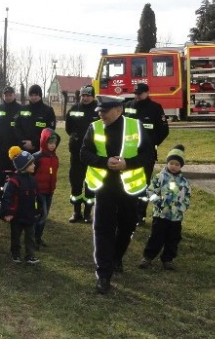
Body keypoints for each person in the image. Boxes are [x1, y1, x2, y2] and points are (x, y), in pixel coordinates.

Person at [80, 95, 153, 294]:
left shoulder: (135, 126)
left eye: (105, 111)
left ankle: (116, 258)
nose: (101, 114)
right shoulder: (94, 128)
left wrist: (127, 164)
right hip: (104, 188)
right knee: (103, 229)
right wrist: (104, 162)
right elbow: (84, 153)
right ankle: (103, 274)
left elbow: (149, 155)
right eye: (99, 111)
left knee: (127, 226)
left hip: (128, 189)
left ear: (118, 109)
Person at [138, 145, 191, 271]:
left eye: (177, 164)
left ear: (181, 166)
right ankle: (148, 257)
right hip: (161, 214)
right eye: (171, 163)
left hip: (176, 217)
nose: (174, 166)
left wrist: (182, 208)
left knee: (173, 239)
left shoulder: (184, 182)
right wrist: (157, 201)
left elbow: (187, 197)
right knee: (156, 236)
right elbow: (150, 191)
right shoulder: (159, 177)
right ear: (167, 163)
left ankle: (168, 259)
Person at [124, 83, 169, 225]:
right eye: (135, 93)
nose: (137, 96)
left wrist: (152, 143)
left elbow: (164, 130)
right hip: (129, 151)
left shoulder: (155, 108)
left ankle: (140, 214)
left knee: (143, 184)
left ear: (147, 93)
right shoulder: (128, 105)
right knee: (129, 182)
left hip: (147, 153)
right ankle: (128, 212)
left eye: (140, 93)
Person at [65, 85, 98, 223]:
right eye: (83, 95)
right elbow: (68, 128)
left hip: (93, 153)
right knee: (76, 182)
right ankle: (76, 212)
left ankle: (87, 214)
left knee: (91, 184)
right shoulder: (73, 109)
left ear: (93, 96)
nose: (85, 98)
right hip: (76, 153)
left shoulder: (99, 109)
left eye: (88, 95)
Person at [2, 146, 41, 265]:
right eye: (31, 164)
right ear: (24, 167)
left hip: (29, 215)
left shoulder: (33, 180)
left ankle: (30, 255)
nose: (34, 166)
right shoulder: (13, 182)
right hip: (17, 216)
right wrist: (8, 212)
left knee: (30, 236)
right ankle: (15, 254)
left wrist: (37, 210)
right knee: (16, 237)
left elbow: (36, 197)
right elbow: (7, 198)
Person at [32, 128, 60, 248]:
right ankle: (32, 239)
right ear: (44, 142)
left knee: (44, 215)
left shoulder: (55, 158)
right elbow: (30, 173)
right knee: (40, 215)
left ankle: (38, 237)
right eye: (50, 143)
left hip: (50, 191)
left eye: (54, 143)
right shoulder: (37, 157)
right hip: (39, 192)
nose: (52, 146)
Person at [0, 86, 22, 186]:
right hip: (0, 149)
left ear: (14, 95)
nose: (8, 97)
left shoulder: (21, 109)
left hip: (15, 148)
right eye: (6, 95)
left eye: (10, 95)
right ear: (3, 96)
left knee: (15, 175)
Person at [15, 84, 56, 152]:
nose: (33, 97)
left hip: (40, 149)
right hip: (24, 148)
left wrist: (34, 143)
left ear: (40, 95)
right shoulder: (23, 109)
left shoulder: (48, 110)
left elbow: (50, 130)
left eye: (36, 95)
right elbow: (17, 127)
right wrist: (24, 142)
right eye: (31, 95)